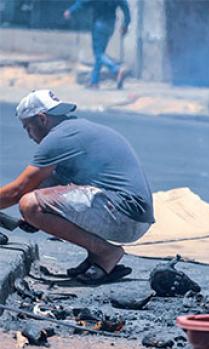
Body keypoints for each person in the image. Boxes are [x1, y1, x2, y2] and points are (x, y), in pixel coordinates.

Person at [0, 90, 154, 284]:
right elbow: (38, 185)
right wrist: (38, 219)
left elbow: (17, 191)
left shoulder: (59, 138)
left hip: (126, 216)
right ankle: (96, 257)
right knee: (39, 191)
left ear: (41, 119)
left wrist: (33, 213)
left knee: (30, 204)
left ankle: (106, 253)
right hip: (130, 214)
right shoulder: (74, 129)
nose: (29, 135)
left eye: (27, 127)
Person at [64, 0, 130, 89]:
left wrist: (70, 11)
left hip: (99, 24)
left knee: (98, 54)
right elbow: (126, 9)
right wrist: (125, 25)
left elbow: (82, 3)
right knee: (100, 53)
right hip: (110, 25)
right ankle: (94, 82)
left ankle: (116, 69)